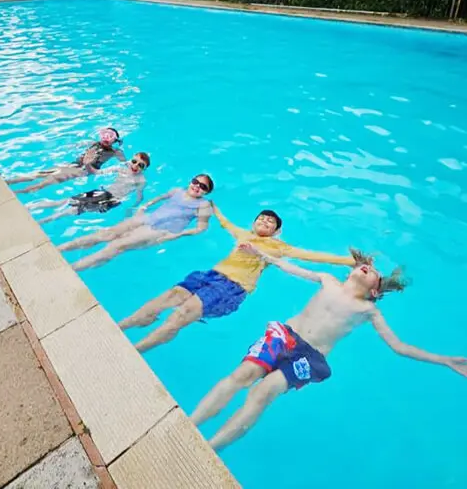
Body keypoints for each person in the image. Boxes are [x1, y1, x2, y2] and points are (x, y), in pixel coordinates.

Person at [191, 247, 467, 451]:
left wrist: (444, 360)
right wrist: (263, 254)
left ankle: (212, 446)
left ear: (375, 291)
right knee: (243, 375)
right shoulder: (327, 280)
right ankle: (192, 424)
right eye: (368, 267)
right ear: (351, 271)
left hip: (310, 358)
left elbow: (399, 346)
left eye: (375, 275)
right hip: (284, 335)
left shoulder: (367, 310)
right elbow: (291, 268)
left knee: (263, 393)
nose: (369, 269)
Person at [120, 203, 355, 352]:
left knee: (181, 314)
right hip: (209, 276)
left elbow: (312, 256)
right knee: (167, 297)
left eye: (270, 221)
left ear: (276, 230)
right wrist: (215, 208)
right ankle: (122, 326)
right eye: (261, 218)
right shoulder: (242, 234)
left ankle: (134, 350)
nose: (264, 221)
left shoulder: (278, 246)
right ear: (254, 223)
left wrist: (351, 261)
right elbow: (226, 224)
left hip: (231, 289)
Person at [59, 174, 214, 271]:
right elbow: (160, 198)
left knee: (117, 245)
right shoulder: (177, 191)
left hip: (160, 230)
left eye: (203, 186)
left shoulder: (203, 205)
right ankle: (61, 249)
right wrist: (144, 206)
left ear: (206, 192)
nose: (197, 186)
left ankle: (73, 269)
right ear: (190, 181)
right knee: (107, 233)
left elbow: (201, 228)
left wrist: (176, 235)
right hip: (148, 217)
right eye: (196, 181)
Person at [28, 152, 150, 224]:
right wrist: (87, 164)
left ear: (144, 169)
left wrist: (132, 208)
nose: (135, 166)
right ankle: (31, 207)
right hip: (102, 192)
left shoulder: (141, 180)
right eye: (134, 161)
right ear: (130, 160)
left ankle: (44, 221)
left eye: (141, 165)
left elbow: (139, 196)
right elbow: (97, 172)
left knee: (76, 210)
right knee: (68, 200)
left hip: (112, 201)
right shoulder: (120, 168)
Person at [6, 127, 126, 194]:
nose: (106, 138)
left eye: (110, 136)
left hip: (84, 170)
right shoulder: (92, 143)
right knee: (43, 173)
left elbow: (124, 164)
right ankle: (9, 182)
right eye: (105, 134)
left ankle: (17, 192)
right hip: (74, 164)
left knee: (50, 180)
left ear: (114, 141)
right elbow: (76, 145)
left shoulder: (115, 152)